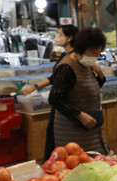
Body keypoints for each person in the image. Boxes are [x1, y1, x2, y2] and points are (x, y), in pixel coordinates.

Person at [20, 25, 79, 161]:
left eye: (59, 34)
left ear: (69, 38)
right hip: (60, 105)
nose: (56, 37)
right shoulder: (65, 55)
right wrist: (35, 86)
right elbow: (55, 77)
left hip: (65, 104)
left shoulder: (73, 57)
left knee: (59, 140)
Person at [49, 28, 108, 154]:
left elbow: (87, 90)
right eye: (93, 52)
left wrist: (101, 76)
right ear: (81, 50)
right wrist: (80, 115)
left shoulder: (85, 65)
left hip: (89, 131)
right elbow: (55, 98)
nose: (95, 56)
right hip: (71, 132)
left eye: (98, 53)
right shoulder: (66, 67)